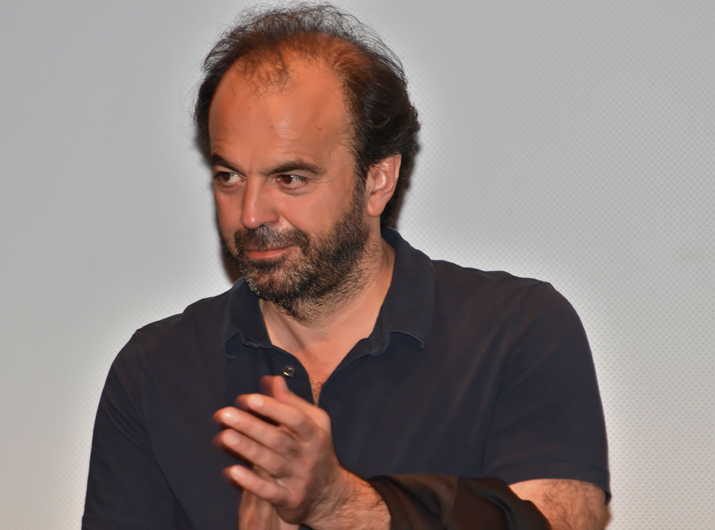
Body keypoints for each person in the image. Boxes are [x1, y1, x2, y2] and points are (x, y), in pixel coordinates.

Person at [82, 4, 609, 530]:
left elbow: (559, 522)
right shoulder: (156, 371)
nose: (251, 214)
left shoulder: (514, 330)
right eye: (229, 177)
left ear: (377, 180)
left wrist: (342, 506)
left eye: (290, 179)